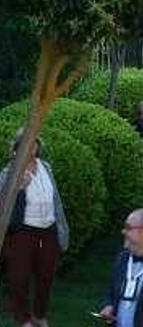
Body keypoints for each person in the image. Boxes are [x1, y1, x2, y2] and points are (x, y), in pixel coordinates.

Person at [0, 131, 69, 327]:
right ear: (17, 148)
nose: (32, 146)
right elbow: (3, 205)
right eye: (27, 143)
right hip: (22, 232)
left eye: (34, 143)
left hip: (48, 229)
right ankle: (23, 319)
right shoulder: (9, 172)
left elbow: (55, 201)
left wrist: (62, 228)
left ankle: (39, 315)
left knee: (46, 276)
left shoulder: (46, 167)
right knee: (19, 278)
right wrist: (19, 188)